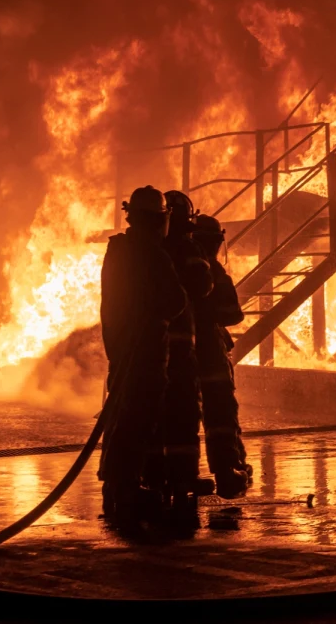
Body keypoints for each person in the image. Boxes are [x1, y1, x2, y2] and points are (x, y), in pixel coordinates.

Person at [98, 186, 187, 528]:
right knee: (138, 417)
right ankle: (127, 485)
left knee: (121, 413)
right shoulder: (152, 254)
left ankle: (116, 481)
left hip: (120, 346)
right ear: (158, 221)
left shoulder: (117, 250)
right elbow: (175, 301)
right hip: (145, 350)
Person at [161, 190, 214, 513]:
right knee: (183, 414)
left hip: (147, 348)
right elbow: (203, 286)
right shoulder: (187, 248)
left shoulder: (149, 249)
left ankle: (151, 476)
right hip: (180, 350)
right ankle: (183, 477)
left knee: (152, 413)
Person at [191, 214, 250, 499]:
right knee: (220, 411)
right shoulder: (210, 270)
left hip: (174, 354)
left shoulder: (168, 263)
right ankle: (227, 471)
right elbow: (234, 313)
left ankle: (179, 476)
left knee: (181, 415)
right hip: (209, 353)